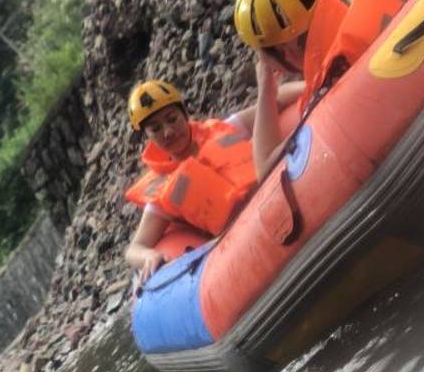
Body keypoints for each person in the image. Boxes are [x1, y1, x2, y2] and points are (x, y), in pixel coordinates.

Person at [234, 0, 409, 180]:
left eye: (263, 57)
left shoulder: (324, 94)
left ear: (284, 51)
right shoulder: (356, 14)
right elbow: (304, 88)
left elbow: (264, 169)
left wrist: (265, 87)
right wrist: (278, 94)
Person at [123, 79, 303, 283]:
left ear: (184, 113)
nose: (168, 132)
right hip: (245, 239)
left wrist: (309, 85)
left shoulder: (223, 129)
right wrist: (148, 256)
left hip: (280, 196)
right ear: (147, 137)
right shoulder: (163, 187)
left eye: (172, 119)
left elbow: (273, 100)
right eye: (155, 129)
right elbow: (133, 249)